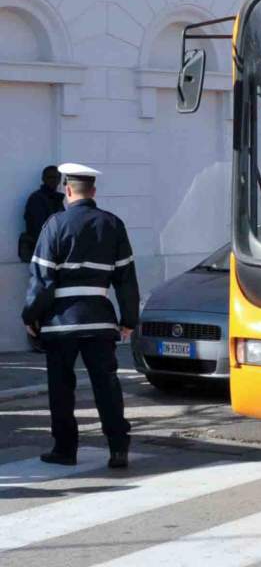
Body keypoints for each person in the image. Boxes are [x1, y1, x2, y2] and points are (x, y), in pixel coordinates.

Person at [22, 163, 139, 469]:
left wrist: (30, 316)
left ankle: (65, 450)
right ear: (93, 192)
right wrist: (128, 320)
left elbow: (42, 279)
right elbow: (126, 279)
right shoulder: (113, 224)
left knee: (61, 389)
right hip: (99, 320)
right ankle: (118, 448)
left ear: (67, 190)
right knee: (106, 386)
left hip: (61, 323)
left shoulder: (54, 224)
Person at [20, 165, 64, 261]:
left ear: (60, 180)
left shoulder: (61, 198)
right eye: (49, 177)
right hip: (41, 251)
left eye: (56, 177)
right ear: (43, 179)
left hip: (57, 250)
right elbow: (38, 228)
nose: (53, 180)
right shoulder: (36, 199)